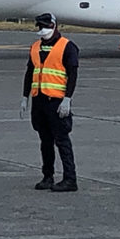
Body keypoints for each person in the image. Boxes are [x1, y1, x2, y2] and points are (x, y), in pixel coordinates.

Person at [20, 12, 79, 192]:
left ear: (54, 26)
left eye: (46, 26)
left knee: (62, 140)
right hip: (39, 101)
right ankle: (48, 176)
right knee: (45, 141)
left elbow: (72, 75)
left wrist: (67, 99)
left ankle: (70, 179)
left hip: (57, 101)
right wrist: (25, 97)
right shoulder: (36, 47)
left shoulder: (67, 47)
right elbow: (30, 72)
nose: (42, 30)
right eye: (40, 27)